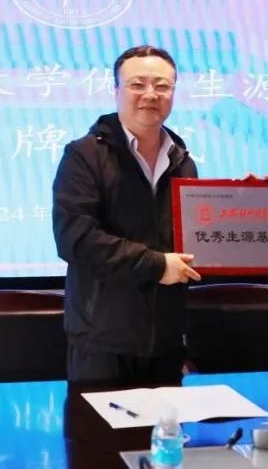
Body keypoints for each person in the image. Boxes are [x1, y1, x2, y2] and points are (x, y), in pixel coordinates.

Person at [52, 45, 201, 384]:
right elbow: (75, 239)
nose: (150, 94)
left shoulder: (182, 162)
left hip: (166, 341)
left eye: (162, 86)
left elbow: (197, 237)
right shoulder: (84, 155)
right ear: (116, 90)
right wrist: (156, 265)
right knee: (96, 422)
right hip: (102, 342)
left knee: (166, 422)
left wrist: (253, 205)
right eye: (137, 84)